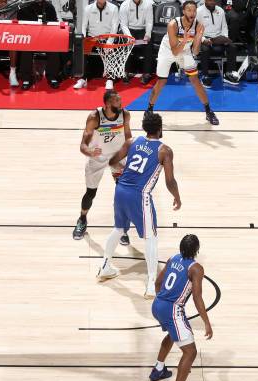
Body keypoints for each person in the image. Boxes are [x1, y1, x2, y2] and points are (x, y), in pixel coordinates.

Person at [98, 113, 181, 298]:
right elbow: (170, 181)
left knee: (118, 229)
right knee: (150, 237)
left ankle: (105, 267)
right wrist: (177, 197)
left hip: (120, 190)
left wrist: (123, 172)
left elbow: (112, 161)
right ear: (160, 129)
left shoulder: (132, 141)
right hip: (139, 196)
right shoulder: (164, 150)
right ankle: (151, 284)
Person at [150, 234, 212, 381]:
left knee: (172, 335)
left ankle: (158, 369)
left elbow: (158, 282)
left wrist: (161, 302)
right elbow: (197, 298)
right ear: (197, 250)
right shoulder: (196, 268)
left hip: (157, 304)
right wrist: (206, 322)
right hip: (172, 310)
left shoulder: (173, 258)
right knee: (190, 352)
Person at [73, 90, 132, 244]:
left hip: (117, 158)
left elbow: (128, 139)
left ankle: (122, 228)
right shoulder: (94, 117)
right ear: (107, 104)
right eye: (117, 101)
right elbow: (82, 145)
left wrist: (128, 157)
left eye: (120, 100)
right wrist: (89, 152)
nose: (121, 103)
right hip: (97, 158)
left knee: (122, 195)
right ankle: (82, 219)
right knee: (90, 193)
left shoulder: (125, 115)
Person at [147, 0, 220, 126]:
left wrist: (198, 37)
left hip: (185, 51)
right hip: (168, 51)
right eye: (189, 10)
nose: (192, 13)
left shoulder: (198, 25)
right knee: (161, 81)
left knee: (195, 80)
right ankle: (149, 109)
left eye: (194, 10)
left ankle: (209, 111)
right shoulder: (173, 24)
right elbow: (175, 51)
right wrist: (185, 39)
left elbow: (196, 52)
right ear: (183, 11)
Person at [17, 0, 62, 89]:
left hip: (46, 37)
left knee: (54, 48)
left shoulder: (49, 7)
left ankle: (52, 76)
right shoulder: (24, 7)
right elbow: (20, 24)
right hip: (29, 37)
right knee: (26, 50)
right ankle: (27, 78)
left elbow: (54, 24)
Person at [75, 0, 120, 90]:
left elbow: (115, 26)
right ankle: (83, 78)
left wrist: (110, 41)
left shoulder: (114, 8)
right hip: (92, 37)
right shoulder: (88, 8)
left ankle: (110, 79)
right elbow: (84, 26)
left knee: (111, 49)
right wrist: (84, 39)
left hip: (107, 37)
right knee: (81, 49)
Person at [197, 0, 240, 87]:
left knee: (232, 47)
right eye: (210, 1)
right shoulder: (199, 11)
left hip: (218, 38)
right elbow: (196, 30)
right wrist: (203, 40)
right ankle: (205, 75)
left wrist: (225, 38)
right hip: (204, 38)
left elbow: (224, 27)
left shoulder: (220, 10)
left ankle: (228, 74)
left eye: (213, 1)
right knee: (205, 49)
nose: (212, 2)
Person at [119, 0, 155, 85]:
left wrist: (148, 34)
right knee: (124, 44)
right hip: (129, 30)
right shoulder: (124, 5)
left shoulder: (148, 4)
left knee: (149, 44)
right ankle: (126, 72)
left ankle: (147, 73)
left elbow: (149, 22)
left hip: (143, 30)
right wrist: (129, 37)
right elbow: (123, 25)